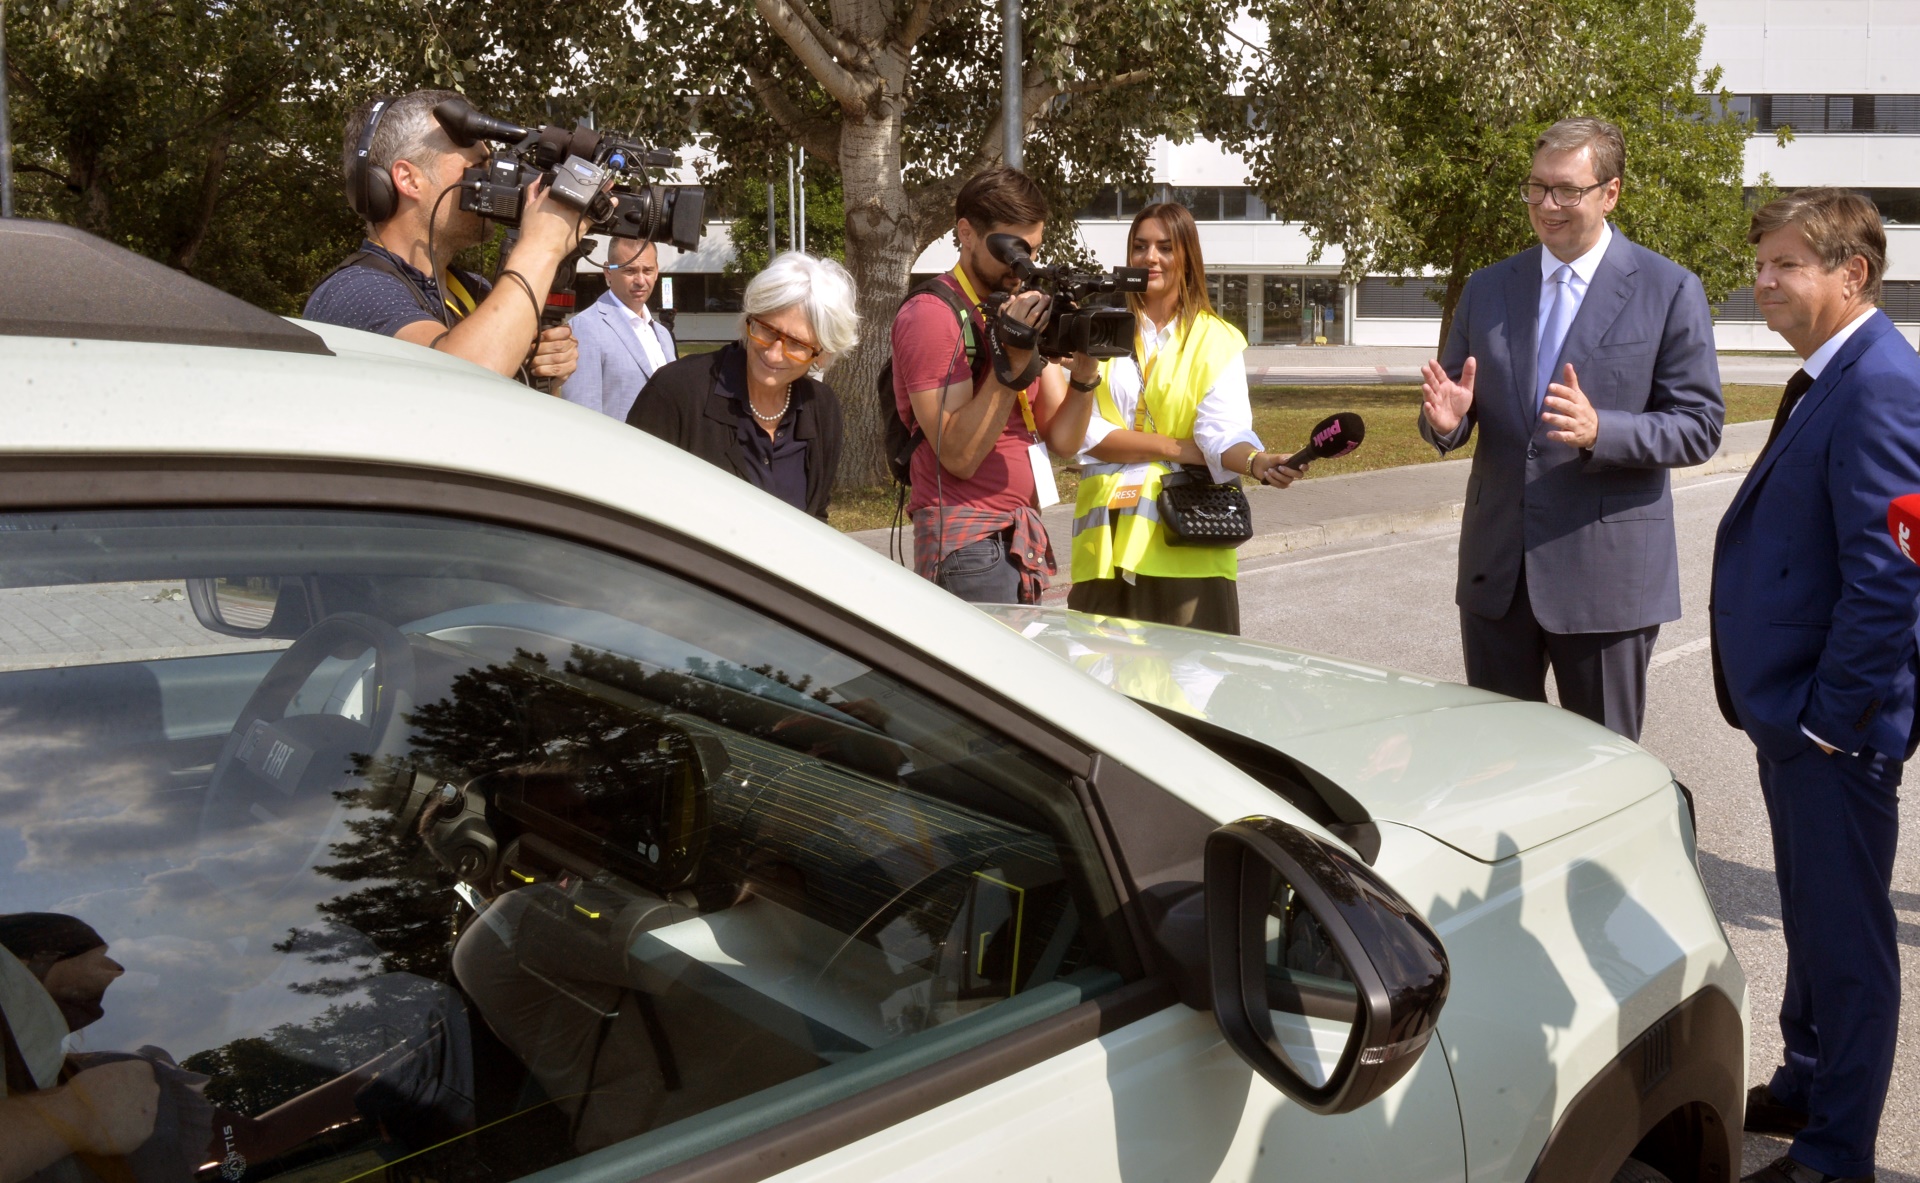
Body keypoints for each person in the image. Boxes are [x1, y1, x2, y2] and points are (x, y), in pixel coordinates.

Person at [1711, 189, 1920, 1183]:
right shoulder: (1827, 376)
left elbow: (1892, 577)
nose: (1763, 280)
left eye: (1786, 263)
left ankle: (1837, 1155)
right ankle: (1805, 1082)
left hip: (1832, 726)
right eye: (1761, 263)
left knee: (1847, 943)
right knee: (1806, 914)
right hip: (1794, 712)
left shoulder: (1880, 383)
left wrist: (1833, 725)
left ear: (1853, 274)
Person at [1417, 116, 1723, 741]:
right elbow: (1455, 401)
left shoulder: (1668, 289)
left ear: (1609, 193)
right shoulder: (1487, 288)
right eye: (1536, 188)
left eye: (1566, 191)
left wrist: (1600, 431)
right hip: (1496, 574)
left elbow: (1699, 425)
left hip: (1605, 582)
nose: (1546, 206)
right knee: (1498, 760)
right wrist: (1445, 422)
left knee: (1601, 772)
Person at [1068, 202, 1296, 634]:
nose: (1149, 258)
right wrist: (1176, 447)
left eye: (1164, 247)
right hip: (1104, 548)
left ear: (1187, 257)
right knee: (1097, 690)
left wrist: (1255, 462)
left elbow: (1222, 433)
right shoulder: (1096, 328)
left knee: (1188, 692)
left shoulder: (1217, 340)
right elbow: (1083, 433)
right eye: (1139, 246)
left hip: (1188, 545)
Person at [892, 168, 1100, 605]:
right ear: (965, 233)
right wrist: (1012, 360)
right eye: (1011, 250)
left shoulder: (1017, 309)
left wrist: (1085, 371)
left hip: (1015, 536)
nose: (1021, 267)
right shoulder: (932, 314)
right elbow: (959, 456)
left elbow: (1063, 439)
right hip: (967, 541)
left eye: (1033, 251)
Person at [304, 90, 587, 384]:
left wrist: (542, 374)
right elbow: (462, 380)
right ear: (409, 180)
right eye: (478, 169)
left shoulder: (475, 289)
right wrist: (542, 246)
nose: (494, 182)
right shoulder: (356, 290)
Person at [628, 252, 855, 520]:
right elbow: (631, 506)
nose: (773, 354)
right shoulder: (676, 391)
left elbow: (817, 515)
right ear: (749, 319)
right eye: (767, 330)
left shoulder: (821, 408)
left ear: (822, 353)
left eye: (796, 344)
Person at [563, 238, 676, 421]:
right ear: (608, 271)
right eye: (629, 270)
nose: (640, 281)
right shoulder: (586, 327)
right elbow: (582, 418)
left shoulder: (663, 334)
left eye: (647, 270)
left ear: (657, 271)